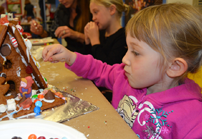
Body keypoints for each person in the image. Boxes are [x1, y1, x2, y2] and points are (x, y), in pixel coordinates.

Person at [42, 3, 202, 138]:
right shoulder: (124, 76)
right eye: (128, 49)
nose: (125, 59)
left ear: (174, 67)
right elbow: (100, 69)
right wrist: (70, 57)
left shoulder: (194, 120)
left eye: (136, 53)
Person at [85, 0, 128, 65]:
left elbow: (108, 67)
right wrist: (87, 41)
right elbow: (87, 62)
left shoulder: (123, 37)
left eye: (96, 12)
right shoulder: (100, 33)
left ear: (112, 10)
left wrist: (95, 41)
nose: (93, 18)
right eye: (92, 14)